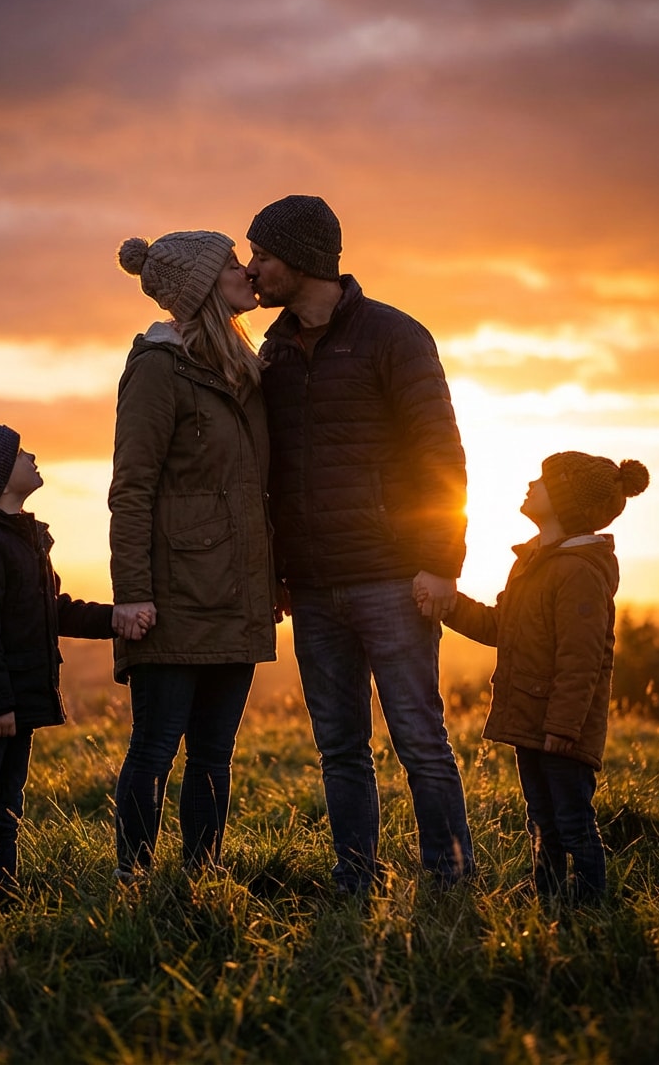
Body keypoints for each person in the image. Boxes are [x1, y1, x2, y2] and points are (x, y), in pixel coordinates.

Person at [247, 194, 473, 893]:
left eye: (263, 255)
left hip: (394, 579)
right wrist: (278, 571)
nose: (252, 270)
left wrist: (441, 562)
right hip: (313, 588)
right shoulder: (273, 351)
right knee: (339, 748)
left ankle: (449, 879)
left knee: (420, 740)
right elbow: (270, 471)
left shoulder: (395, 337)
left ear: (302, 259)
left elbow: (440, 455)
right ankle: (356, 875)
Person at [109, 229, 276, 880]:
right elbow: (132, 488)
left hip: (236, 594)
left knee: (214, 755)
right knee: (154, 748)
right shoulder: (157, 369)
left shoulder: (241, 368)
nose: (247, 274)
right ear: (204, 286)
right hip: (173, 597)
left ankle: (201, 880)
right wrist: (133, 593)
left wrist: (271, 580)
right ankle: (133, 879)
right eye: (232, 265)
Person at [0, 422, 145, 900]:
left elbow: (51, 610)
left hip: (13, 703)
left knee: (7, 807)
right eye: (19, 452)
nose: (31, 456)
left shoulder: (18, 538)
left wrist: (116, 618)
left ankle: (0, 896)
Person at [438, 451, 650, 904]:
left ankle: (590, 905)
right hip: (531, 720)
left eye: (544, 480)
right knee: (541, 818)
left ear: (567, 501)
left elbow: (582, 661)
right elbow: (501, 627)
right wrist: (450, 605)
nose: (532, 484)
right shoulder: (533, 562)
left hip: (561, 731)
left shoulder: (579, 572)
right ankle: (548, 898)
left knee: (573, 822)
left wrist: (564, 727)